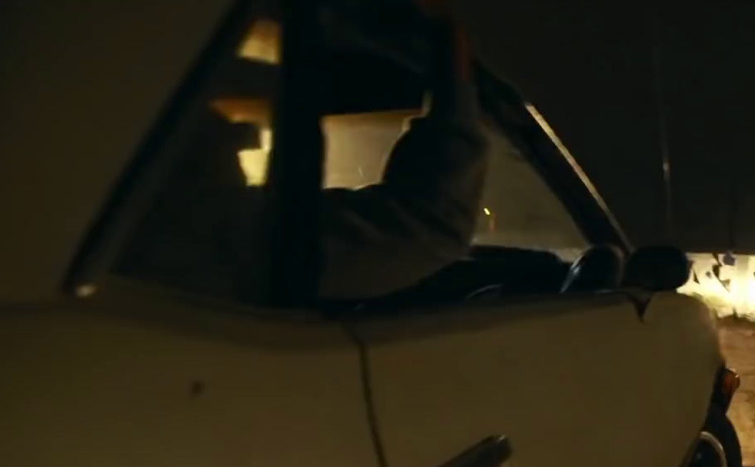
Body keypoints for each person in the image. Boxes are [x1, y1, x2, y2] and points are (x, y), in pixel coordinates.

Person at [117, 2, 489, 304]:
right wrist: (452, 51)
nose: (240, 134)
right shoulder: (200, 234)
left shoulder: (122, 226)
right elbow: (430, 228)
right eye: (214, 124)